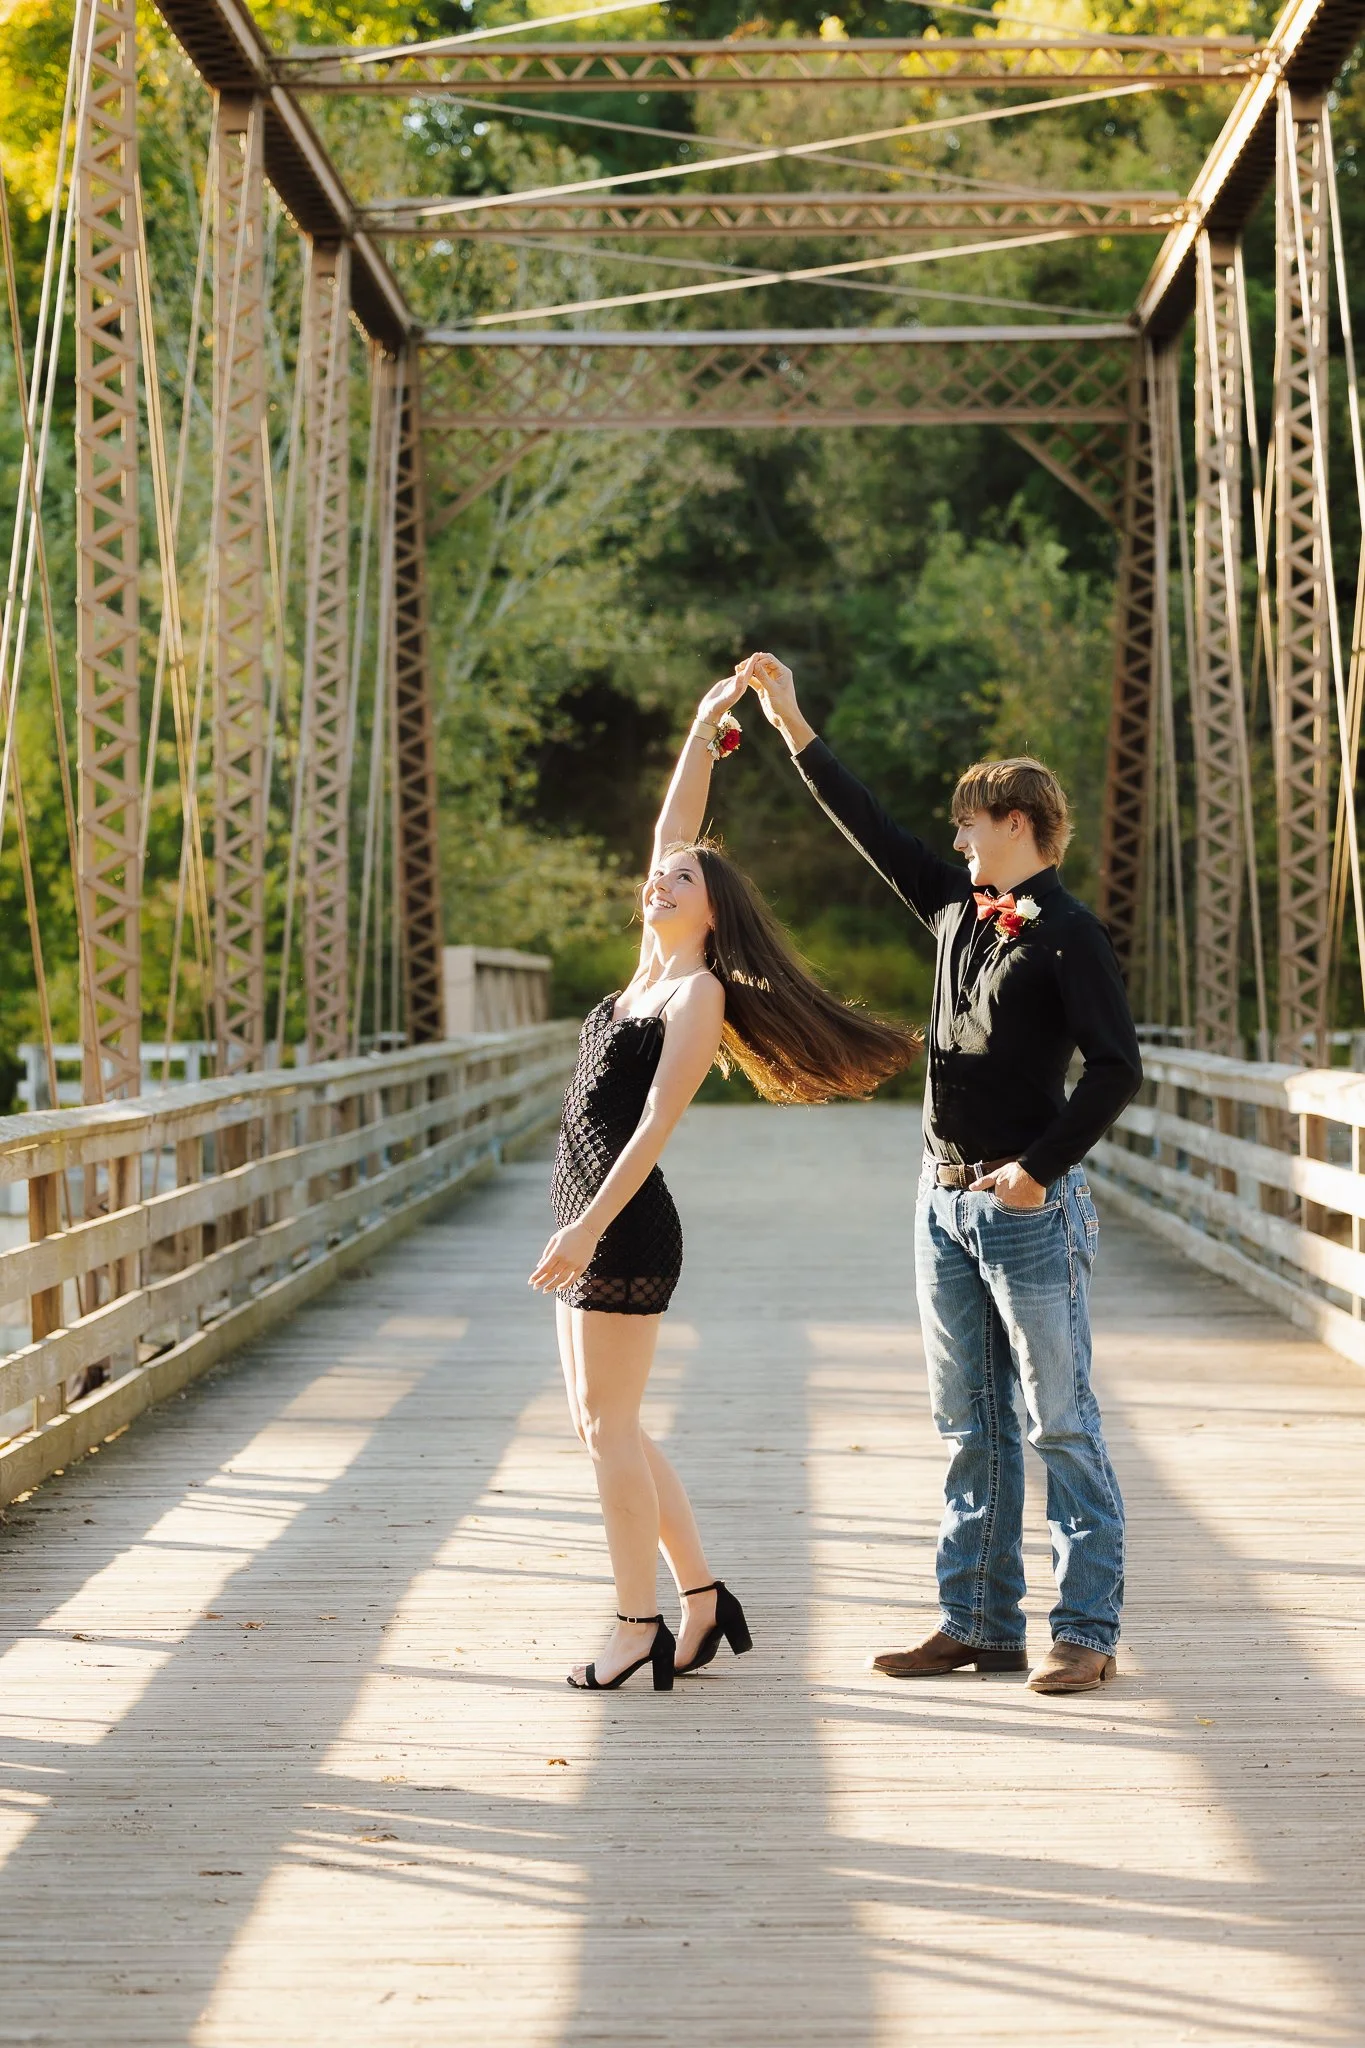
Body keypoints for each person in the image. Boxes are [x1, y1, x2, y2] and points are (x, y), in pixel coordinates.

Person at [744, 650, 1142, 1696]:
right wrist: (792, 724)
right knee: (970, 1421)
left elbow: (1117, 1069)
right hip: (938, 1200)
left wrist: (1040, 1171)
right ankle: (976, 1621)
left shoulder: (1068, 937)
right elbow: (867, 825)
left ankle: (1086, 1627)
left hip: (1024, 1210)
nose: (956, 837)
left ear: (1016, 822)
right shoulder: (955, 907)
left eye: (969, 822)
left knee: (1060, 1417)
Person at [530, 669, 919, 1692]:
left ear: (714, 913)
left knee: (606, 1424)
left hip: (621, 1225)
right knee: (596, 1420)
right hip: (582, 1214)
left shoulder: (694, 994)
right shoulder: (642, 973)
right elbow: (673, 828)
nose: (659, 882)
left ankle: (635, 1623)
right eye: (658, 877)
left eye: (683, 881)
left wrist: (582, 1232)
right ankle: (702, 1600)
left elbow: (655, 1124)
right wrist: (702, 729)